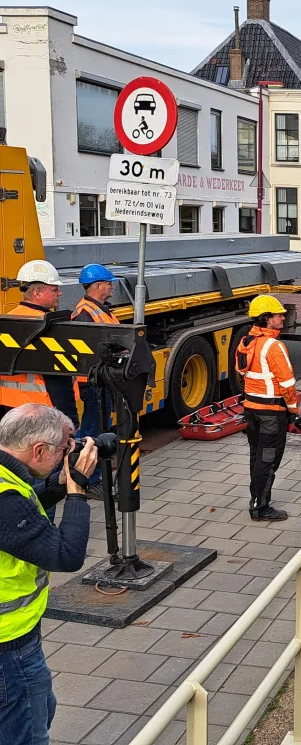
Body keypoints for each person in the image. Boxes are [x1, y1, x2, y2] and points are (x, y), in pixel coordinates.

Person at [0, 404, 98, 744]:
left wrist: (58, 485)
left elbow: (20, 517)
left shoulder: (7, 476)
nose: (67, 454)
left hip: (16, 640)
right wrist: (77, 490)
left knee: (40, 707)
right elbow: (65, 555)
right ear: (38, 450)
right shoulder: (4, 497)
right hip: (8, 645)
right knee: (27, 733)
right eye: (63, 449)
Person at [237, 296, 300, 522]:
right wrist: (294, 410)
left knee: (257, 456)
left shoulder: (246, 341)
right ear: (267, 319)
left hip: (251, 409)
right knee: (269, 459)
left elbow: (241, 371)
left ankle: (256, 498)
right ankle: (260, 507)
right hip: (272, 413)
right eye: (278, 314)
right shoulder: (274, 346)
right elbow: (287, 383)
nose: (282, 317)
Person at [0, 261, 78, 430]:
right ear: (37, 293)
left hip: (11, 411)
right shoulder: (51, 325)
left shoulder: (7, 320)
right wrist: (70, 419)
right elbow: (59, 380)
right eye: (54, 289)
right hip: (45, 413)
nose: (60, 293)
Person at [72, 264, 119, 497]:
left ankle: (85, 477)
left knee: (94, 429)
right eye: (109, 283)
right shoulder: (85, 313)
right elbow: (90, 351)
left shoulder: (100, 310)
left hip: (101, 381)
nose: (111, 287)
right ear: (98, 286)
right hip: (93, 384)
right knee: (93, 433)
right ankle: (90, 481)